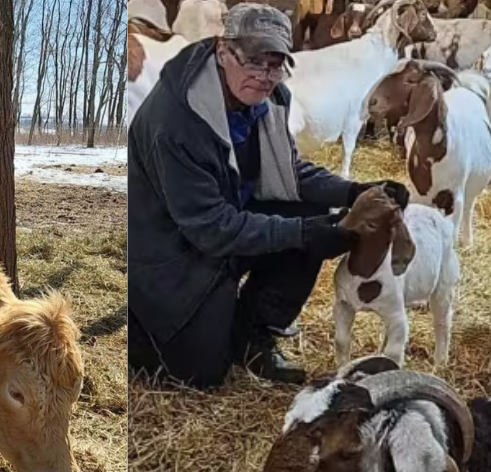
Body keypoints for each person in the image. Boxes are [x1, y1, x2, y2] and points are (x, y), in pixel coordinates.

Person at [128, 3, 409, 390]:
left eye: (275, 64)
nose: (264, 76)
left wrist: (354, 190)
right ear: (223, 52)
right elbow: (210, 228)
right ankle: (142, 326)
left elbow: (289, 171)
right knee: (202, 373)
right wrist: (309, 233)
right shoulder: (175, 122)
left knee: (311, 207)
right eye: (255, 61)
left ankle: (256, 331)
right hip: (173, 250)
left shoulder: (271, 97)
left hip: (225, 222)